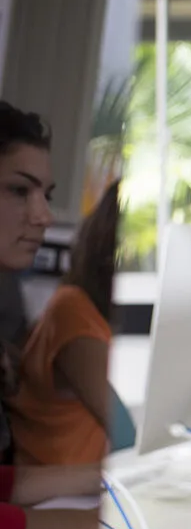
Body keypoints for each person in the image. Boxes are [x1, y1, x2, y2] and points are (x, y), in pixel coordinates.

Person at [0, 100, 101, 529]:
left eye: (45, 193)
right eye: (20, 191)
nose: (44, 216)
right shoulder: (71, 309)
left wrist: (100, 479)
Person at [8, 181, 119, 466]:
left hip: (78, 489)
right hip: (53, 495)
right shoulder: (73, 311)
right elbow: (128, 428)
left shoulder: (94, 311)